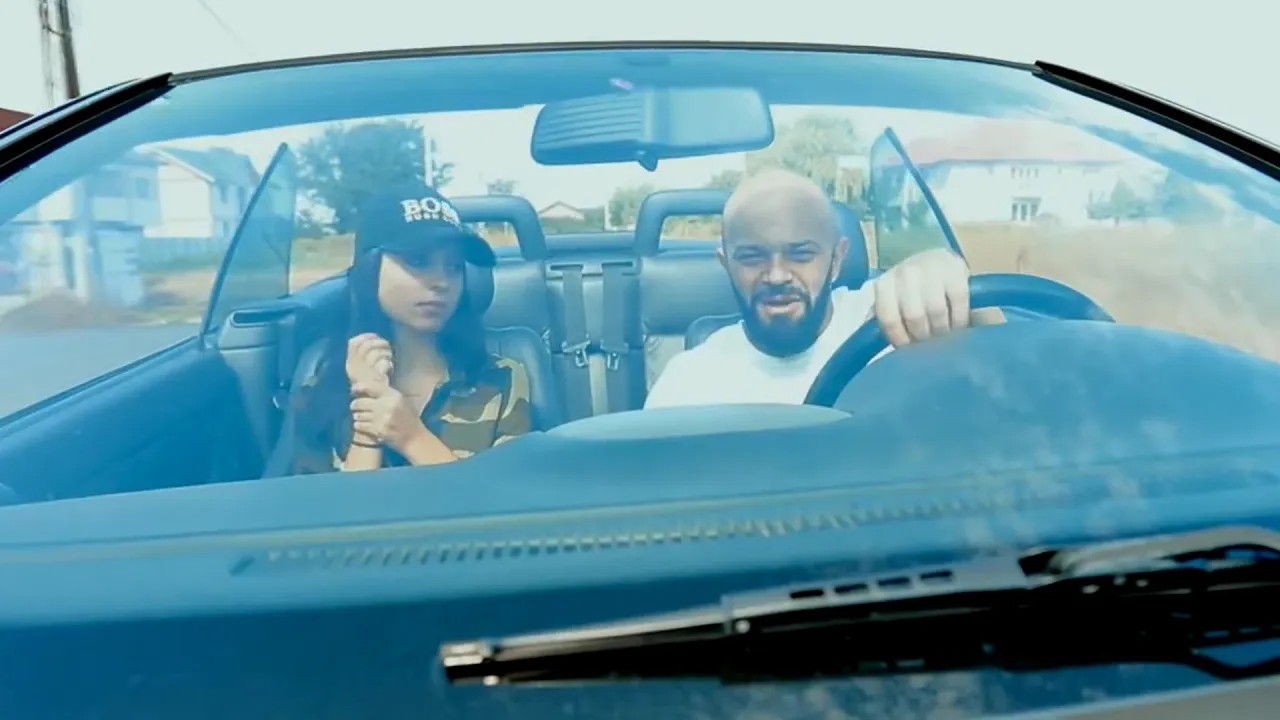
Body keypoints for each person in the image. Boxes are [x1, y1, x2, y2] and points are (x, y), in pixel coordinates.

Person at [644, 168, 1002, 409]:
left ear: (837, 259)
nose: (777, 275)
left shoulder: (890, 316)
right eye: (752, 257)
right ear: (726, 264)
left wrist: (947, 273)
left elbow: (1014, 378)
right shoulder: (688, 384)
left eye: (800, 254)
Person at [292, 183, 533, 473]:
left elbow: (508, 498)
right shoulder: (320, 391)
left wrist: (413, 438)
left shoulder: (500, 379)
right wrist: (367, 428)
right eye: (418, 261)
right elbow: (328, 504)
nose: (441, 282)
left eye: (454, 267)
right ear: (370, 269)